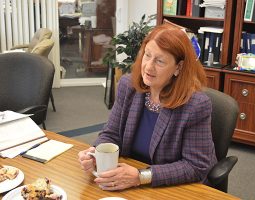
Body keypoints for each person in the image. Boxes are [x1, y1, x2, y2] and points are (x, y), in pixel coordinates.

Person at [78, 23, 217, 191]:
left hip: (173, 188)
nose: (148, 67)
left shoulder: (196, 105)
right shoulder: (128, 86)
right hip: (129, 183)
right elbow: (111, 133)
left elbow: (195, 166)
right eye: (147, 55)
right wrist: (96, 153)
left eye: (159, 61)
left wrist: (140, 176)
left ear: (178, 67)